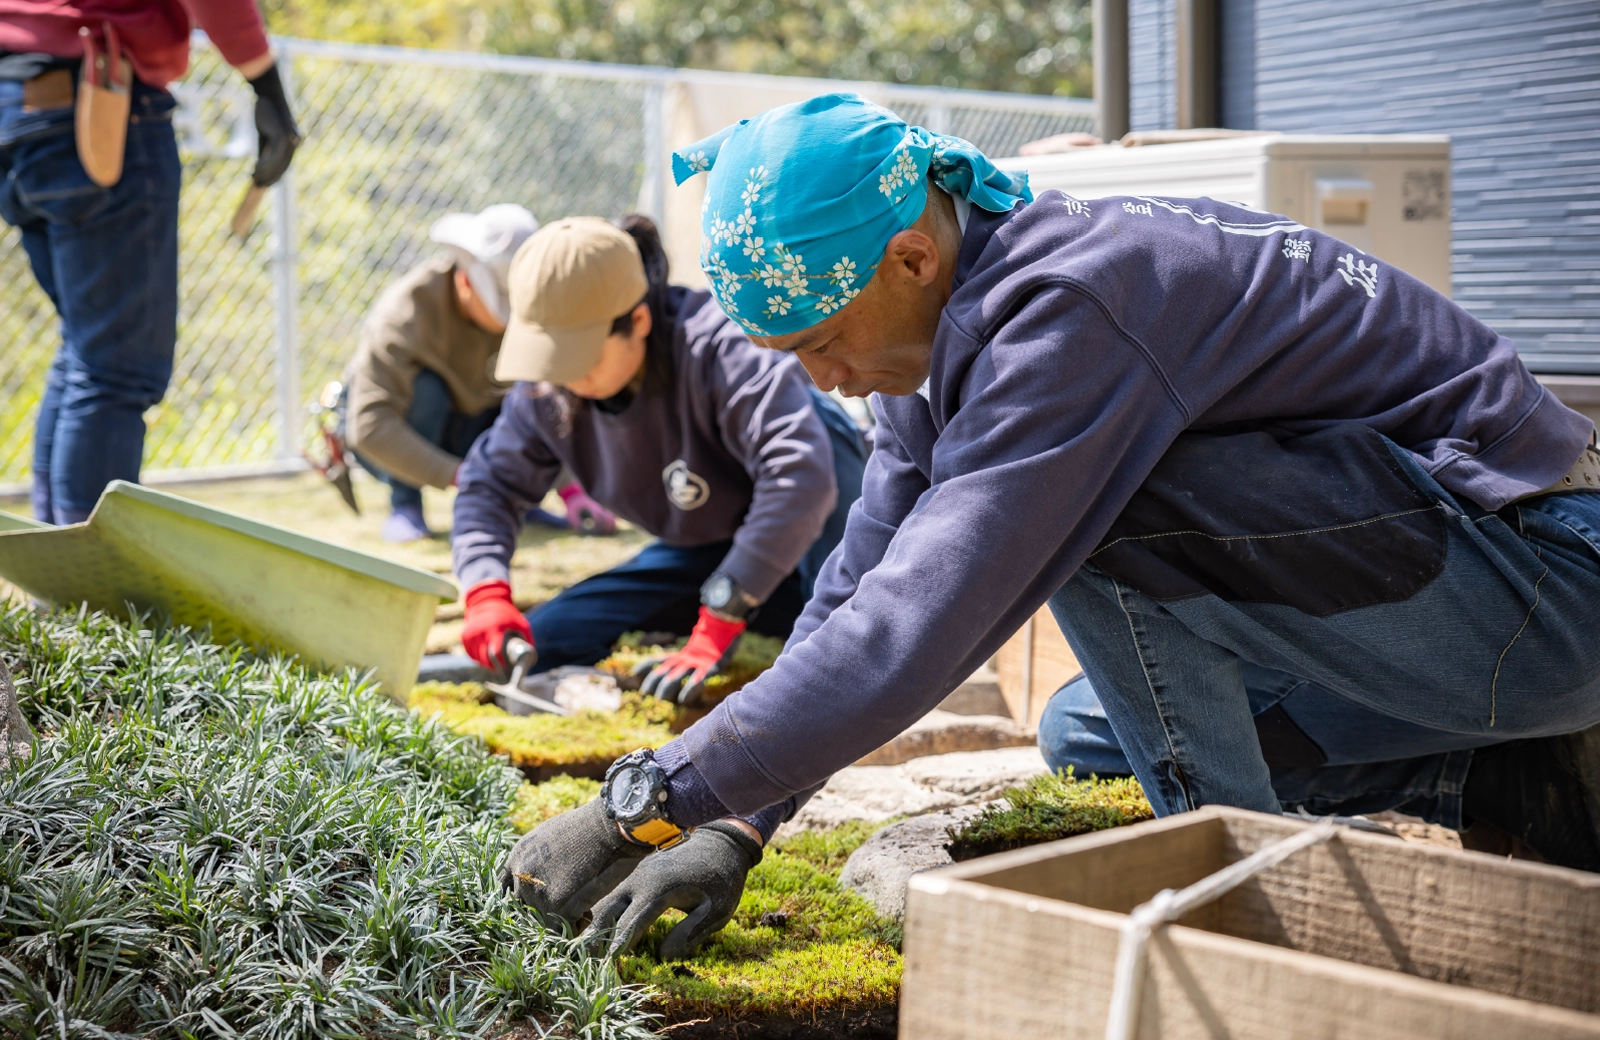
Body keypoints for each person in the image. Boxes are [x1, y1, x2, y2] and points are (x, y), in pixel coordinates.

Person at [501, 93, 1600, 959]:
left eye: (822, 341)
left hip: (1548, 592)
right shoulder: (946, 327)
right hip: (1449, 620)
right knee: (1085, 731)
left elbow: (914, 622)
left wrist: (640, 801)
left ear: (912, 259)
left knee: (1094, 523)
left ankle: (1238, 892)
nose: (826, 383)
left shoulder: (1072, 311)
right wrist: (736, 821)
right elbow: (857, 580)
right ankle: (1502, 779)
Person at [452, 213, 867, 708]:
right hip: (707, 549)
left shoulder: (723, 348)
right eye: (551, 356)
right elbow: (489, 484)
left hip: (824, 538)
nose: (563, 376)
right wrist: (484, 589)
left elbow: (798, 476)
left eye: (579, 355)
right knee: (547, 639)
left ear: (639, 322)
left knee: (834, 660)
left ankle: (817, 626)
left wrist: (722, 615)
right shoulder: (548, 390)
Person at [1, 0, 299, 524]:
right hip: (97, 98)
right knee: (115, 368)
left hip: (17, 104)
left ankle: (55, 568)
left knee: (86, 352)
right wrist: (266, 83)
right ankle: (84, 586)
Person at [343, 203, 614, 542]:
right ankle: (406, 504)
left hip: (475, 427)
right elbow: (368, 425)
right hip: (412, 434)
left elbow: (544, 401)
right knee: (427, 392)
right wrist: (466, 476)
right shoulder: (405, 312)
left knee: (521, 391)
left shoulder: (531, 312)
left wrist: (572, 489)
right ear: (466, 280)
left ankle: (519, 499)